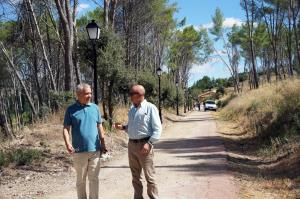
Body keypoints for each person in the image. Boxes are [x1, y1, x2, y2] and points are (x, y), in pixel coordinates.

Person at [114, 85, 162, 199]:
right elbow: (131, 127)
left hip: (144, 145)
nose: (130, 97)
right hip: (131, 145)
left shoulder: (150, 108)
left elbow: (158, 129)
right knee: (135, 177)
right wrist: (123, 127)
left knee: (150, 177)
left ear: (139, 95)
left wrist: (149, 143)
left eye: (132, 94)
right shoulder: (132, 109)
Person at [63, 83, 107, 199]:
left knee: (94, 179)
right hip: (79, 151)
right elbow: (66, 128)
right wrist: (68, 143)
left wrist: (103, 143)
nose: (90, 95)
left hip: (95, 150)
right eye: (87, 93)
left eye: (90, 93)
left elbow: (99, 126)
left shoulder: (95, 108)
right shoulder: (71, 110)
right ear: (78, 95)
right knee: (81, 181)